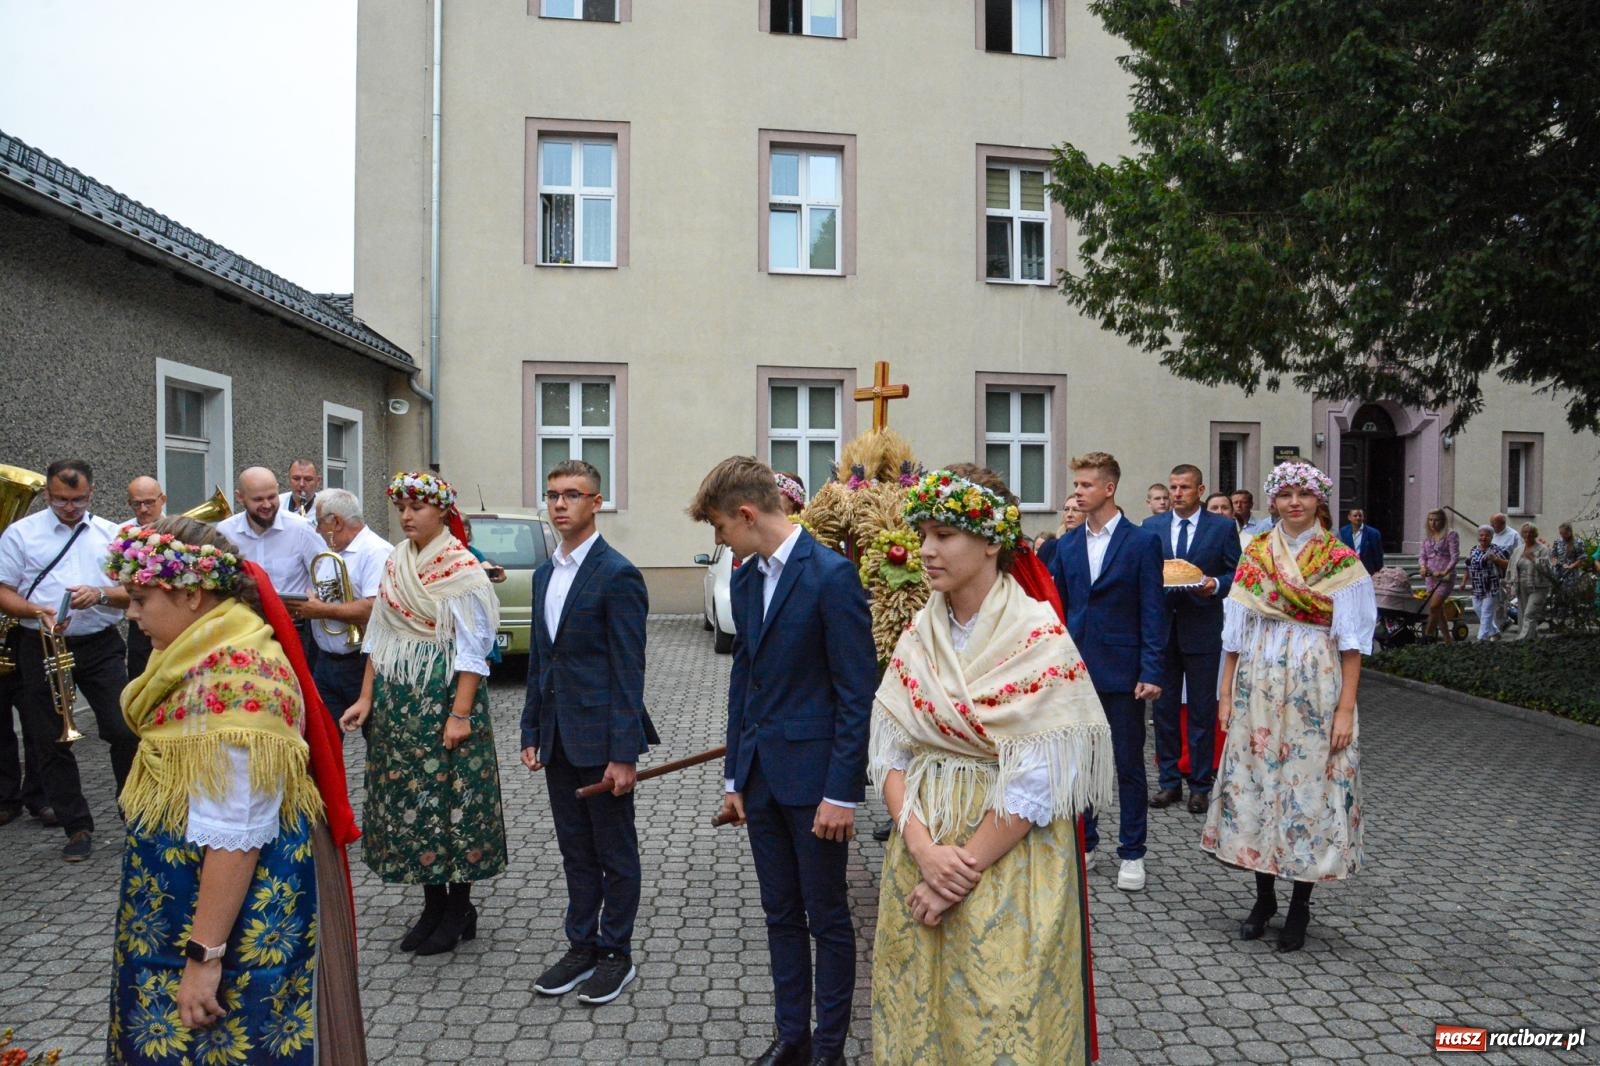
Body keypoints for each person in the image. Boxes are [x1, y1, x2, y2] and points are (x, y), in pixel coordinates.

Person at [870, 466, 1112, 1065]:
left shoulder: (1038, 636)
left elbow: (1043, 776)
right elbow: (891, 751)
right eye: (923, 532)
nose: (926, 550)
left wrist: (960, 870)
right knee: (917, 1002)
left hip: (1008, 859)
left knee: (999, 1010)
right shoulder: (918, 634)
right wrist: (924, 851)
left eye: (944, 534)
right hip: (920, 841)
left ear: (991, 541)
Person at [104, 516, 364, 1063]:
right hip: (193, 900)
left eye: (140, 598)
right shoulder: (200, 650)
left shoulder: (236, 682)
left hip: (229, 919)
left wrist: (204, 958)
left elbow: (236, 833)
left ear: (193, 593)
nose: (131, 614)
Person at [689, 456, 875, 1066]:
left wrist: (842, 793)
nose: (718, 540)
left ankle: (830, 1048)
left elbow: (855, 692)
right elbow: (745, 680)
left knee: (827, 918)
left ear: (746, 514)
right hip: (763, 779)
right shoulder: (745, 578)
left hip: (818, 785)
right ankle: (792, 1037)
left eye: (719, 527)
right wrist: (734, 778)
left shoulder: (829, 576)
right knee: (779, 916)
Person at [1202, 460, 1375, 953]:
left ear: (1319, 500)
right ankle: (1263, 900)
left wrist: (1345, 709)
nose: (1293, 502)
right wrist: (1225, 691)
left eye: (1302, 494)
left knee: (1308, 795)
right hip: (1257, 684)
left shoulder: (1341, 559)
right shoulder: (1256, 552)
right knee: (1257, 786)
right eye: (1284, 494)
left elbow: (1353, 645)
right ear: (1273, 501)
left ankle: (1300, 904)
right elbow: (1234, 633)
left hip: (1315, 689)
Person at [340, 472, 506, 956]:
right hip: (400, 699)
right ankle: (434, 905)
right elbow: (379, 635)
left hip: (444, 696)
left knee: (452, 800)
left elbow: (474, 651)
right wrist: (367, 698)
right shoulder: (397, 561)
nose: (408, 516)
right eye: (402, 508)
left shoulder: (461, 568)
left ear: (441, 512)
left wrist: (460, 714)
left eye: (418, 507)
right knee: (417, 807)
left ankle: (459, 907)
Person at [520, 459, 656, 1007]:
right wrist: (531, 726)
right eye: (553, 494)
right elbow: (540, 663)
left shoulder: (617, 574)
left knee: (614, 851)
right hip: (557, 737)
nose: (559, 504)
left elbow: (630, 670)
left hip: (602, 741)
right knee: (576, 849)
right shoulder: (543, 573)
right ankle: (581, 945)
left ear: (595, 502)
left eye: (572, 495)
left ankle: (616, 954)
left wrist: (624, 753)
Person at [0, 459, 139, 861]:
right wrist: (34, 610)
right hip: (39, 642)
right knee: (49, 737)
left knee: (123, 728)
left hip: (99, 643)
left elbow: (133, 591)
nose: (70, 508)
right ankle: (76, 825)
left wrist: (99, 594)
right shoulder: (21, 534)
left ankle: (131, 811)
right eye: (61, 500)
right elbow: (4, 590)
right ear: (47, 493)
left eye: (77, 500)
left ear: (92, 493)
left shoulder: (111, 534)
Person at [1046, 452, 1165, 892]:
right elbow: (1055, 609)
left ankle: (1132, 852)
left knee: (1127, 764)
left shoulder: (1141, 543)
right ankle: (1086, 841)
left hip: (1124, 670)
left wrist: (1151, 669)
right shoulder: (1067, 545)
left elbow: (1154, 612)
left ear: (1108, 488)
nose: (1076, 493)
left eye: (1084, 486)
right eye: (1075, 486)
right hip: (1076, 672)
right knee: (1079, 763)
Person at [1144, 465, 1240, 815]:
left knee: (1201, 711)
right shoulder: (1152, 526)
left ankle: (1200, 785)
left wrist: (1215, 585)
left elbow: (1237, 572)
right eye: (1173, 487)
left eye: (1184, 487)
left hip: (1202, 628)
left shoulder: (1222, 527)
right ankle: (1169, 782)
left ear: (1200, 489)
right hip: (1162, 631)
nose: (1177, 493)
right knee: (1164, 712)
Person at [289, 489, 391, 728]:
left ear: (336, 521)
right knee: (325, 741)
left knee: (374, 737)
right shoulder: (331, 554)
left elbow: (373, 608)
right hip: (325, 663)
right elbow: (327, 598)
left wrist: (321, 610)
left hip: (361, 664)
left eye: (319, 522)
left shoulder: (376, 551)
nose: (317, 530)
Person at [219, 467, 327, 666]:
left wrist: (313, 599)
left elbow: (326, 577)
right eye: (258, 499)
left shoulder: (301, 529)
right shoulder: (225, 532)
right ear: (240, 497)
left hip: (293, 629)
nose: (267, 505)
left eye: (272, 497)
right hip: (242, 630)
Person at [123, 475, 168, 679]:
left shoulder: (181, 529)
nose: (143, 509)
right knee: (140, 677)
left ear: (163, 500)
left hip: (174, 617)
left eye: (149, 502)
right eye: (136, 504)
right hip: (141, 622)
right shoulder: (120, 534)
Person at [1506, 523, 1556, 641]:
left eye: (1530, 532)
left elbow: (1548, 569)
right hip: (1521, 584)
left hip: (1539, 586)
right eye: (1525, 532)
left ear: (1535, 534)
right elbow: (1511, 567)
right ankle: (1531, 638)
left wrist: (1534, 559)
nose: (1527, 535)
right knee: (1523, 613)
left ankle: (1522, 639)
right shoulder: (1518, 550)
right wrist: (1509, 583)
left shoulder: (1543, 549)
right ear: (1522, 534)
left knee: (1530, 613)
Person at [1461, 525, 1510, 641]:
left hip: (1491, 586)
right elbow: (1468, 567)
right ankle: (1495, 632)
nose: (1483, 538)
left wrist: (1496, 559)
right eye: (1481, 535)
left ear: (1492, 537)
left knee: (1486, 612)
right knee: (1478, 610)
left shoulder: (1496, 549)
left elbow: (1507, 564)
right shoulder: (1473, 549)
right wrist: (1463, 582)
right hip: (1477, 586)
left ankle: (1481, 639)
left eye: (1487, 535)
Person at [1418, 509, 1460, 643]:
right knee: (1439, 609)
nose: (1433, 523)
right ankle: (1448, 640)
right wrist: (1423, 567)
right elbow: (1422, 556)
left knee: (1434, 606)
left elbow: (1455, 557)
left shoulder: (1450, 535)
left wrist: (1445, 571)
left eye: (1436, 520)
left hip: (1444, 577)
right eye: (1430, 520)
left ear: (1443, 521)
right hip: (1430, 576)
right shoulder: (1427, 537)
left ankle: (1428, 635)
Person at [1487, 513, 1520, 633]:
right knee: (1496, 602)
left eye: (1493, 524)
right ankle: (1498, 626)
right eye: (1490, 524)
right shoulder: (1491, 534)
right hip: (1491, 574)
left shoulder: (1513, 535)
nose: (1491, 526)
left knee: (1503, 601)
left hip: (1506, 574)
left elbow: (1518, 555)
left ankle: (1501, 624)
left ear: (1502, 523)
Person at [1337, 507, 1385, 574]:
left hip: (1367, 570)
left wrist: (1378, 570)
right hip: (1349, 570)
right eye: (1355, 516)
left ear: (1363, 517)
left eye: (1360, 516)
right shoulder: (1343, 531)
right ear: (1349, 517)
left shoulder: (1374, 533)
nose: (1358, 518)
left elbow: (1378, 554)